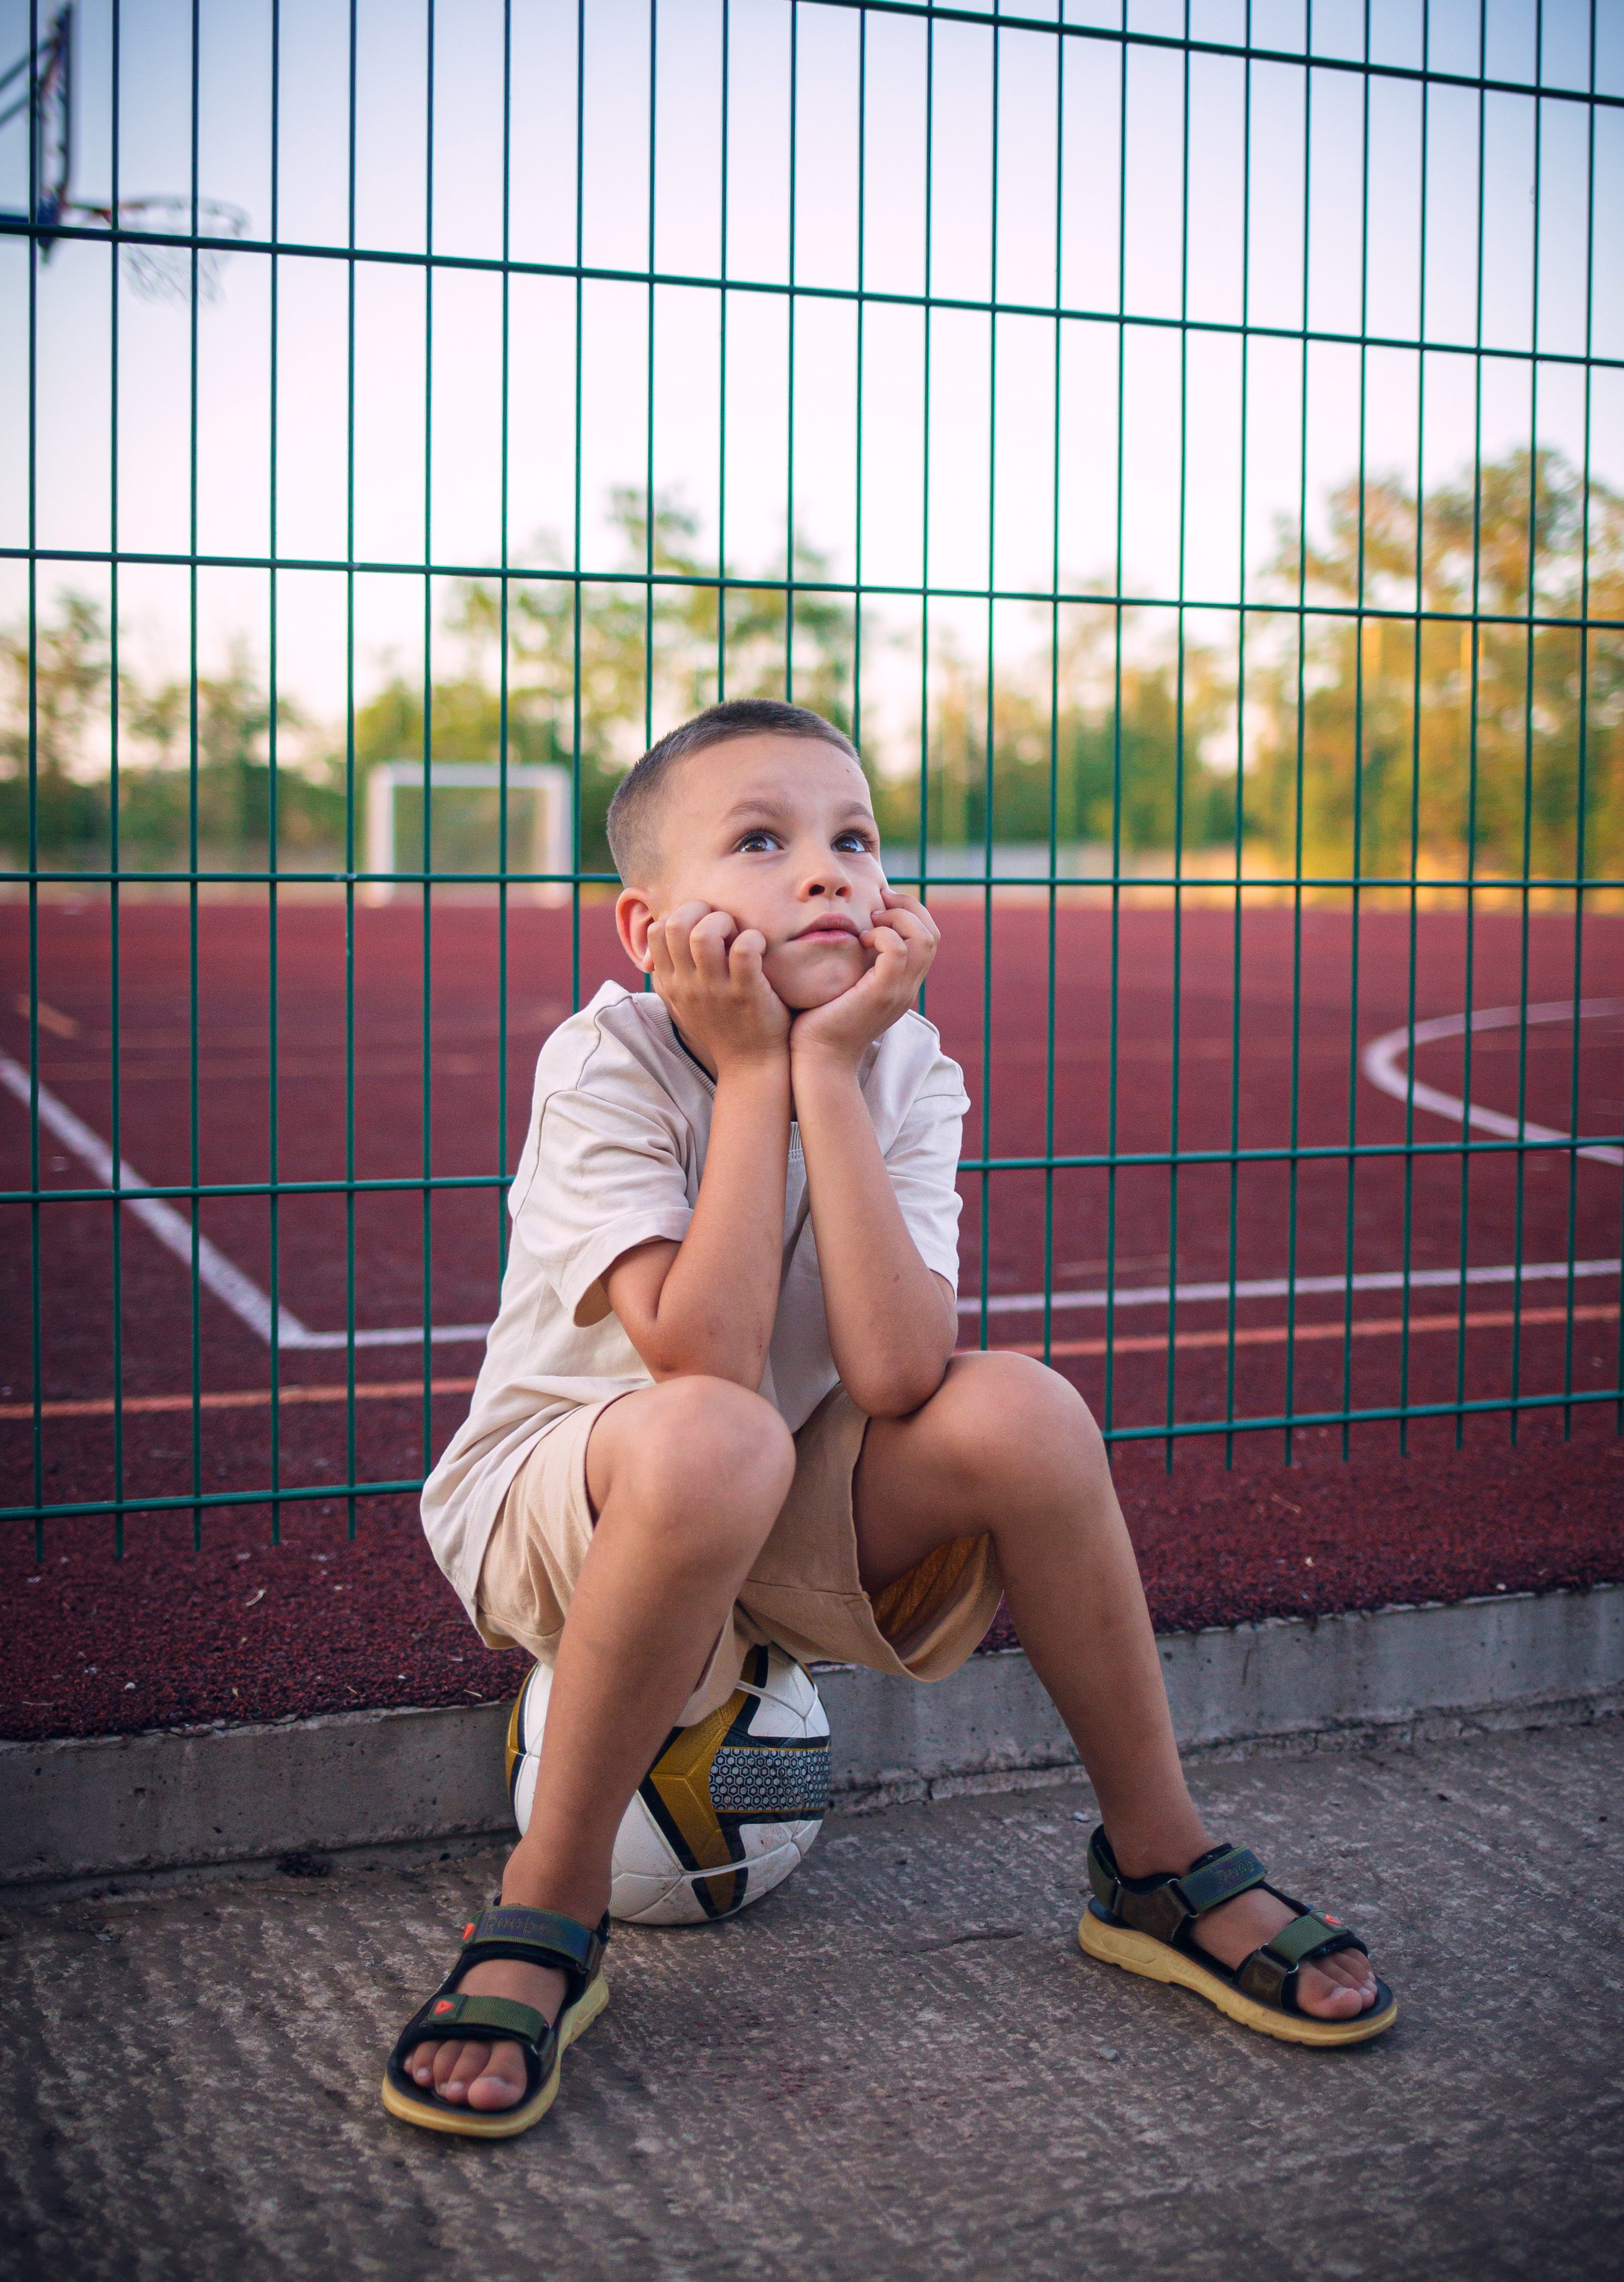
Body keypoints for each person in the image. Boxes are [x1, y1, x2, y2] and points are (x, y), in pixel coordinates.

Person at [383, 699, 1395, 2137]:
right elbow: (707, 1360)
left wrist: (829, 1074)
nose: (826, 871)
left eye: (852, 838)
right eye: (760, 838)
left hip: (772, 1489)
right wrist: (746, 1074)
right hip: (565, 1503)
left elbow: (902, 1375)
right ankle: (545, 1906)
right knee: (716, 1433)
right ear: (645, 923)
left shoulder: (909, 1069)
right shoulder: (604, 1058)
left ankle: (1156, 1861)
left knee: (1026, 1410)